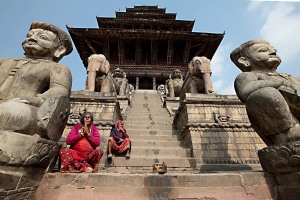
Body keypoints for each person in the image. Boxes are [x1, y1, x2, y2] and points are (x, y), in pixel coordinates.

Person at [0, 21, 73, 141]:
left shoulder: (58, 68)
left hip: (26, 106)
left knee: (8, 112)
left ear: (59, 50)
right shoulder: (4, 61)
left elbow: (59, 92)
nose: (32, 38)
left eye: (42, 37)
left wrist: (38, 99)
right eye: (29, 35)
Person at [230, 39, 300, 146]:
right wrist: (281, 83)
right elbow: (245, 91)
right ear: (244, 61)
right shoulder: (247, 76)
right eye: (263, 50)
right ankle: (286, 133)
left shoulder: (292, 77)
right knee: (264, 94)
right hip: (284, 121)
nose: (273, 52)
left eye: (274, 50)